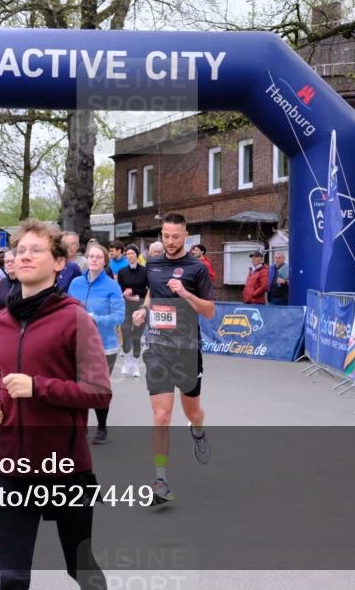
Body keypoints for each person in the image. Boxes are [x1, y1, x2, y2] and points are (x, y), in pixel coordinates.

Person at [0, 219, 111, 590]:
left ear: (58, 262)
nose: (24, 256)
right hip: (14, 468)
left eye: (35, 249)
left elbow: (99, 392)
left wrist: (38, 387)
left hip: (65, 468)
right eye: (20, 250)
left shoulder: (75, 318)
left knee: (80, 568)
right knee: (12, 577)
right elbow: (3, 379)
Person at [132, 213, 215, 505]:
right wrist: (144, 310)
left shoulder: (198, 268)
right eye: (165, 236)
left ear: (186, 235)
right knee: (161, 415)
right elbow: (152, 294)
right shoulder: (152, 263)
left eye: (175, 237)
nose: (169, 242)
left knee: (192, 411)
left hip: (187, 349)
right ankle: (160, 479)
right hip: (156, 345)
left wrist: (187, 294)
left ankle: (198, 429)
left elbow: (209, 312)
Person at [67, 242, 125, 444]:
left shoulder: (112, 286)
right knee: (76, 386)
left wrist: (94, 319)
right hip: (76, 344)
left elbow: (119, 316)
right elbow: (67, 309)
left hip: (104, 345)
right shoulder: (75, 284)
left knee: (98, 387)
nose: (93, 260)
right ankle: (80, 427)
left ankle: (101, 427)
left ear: (104, 262)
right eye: (91, 256)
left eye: (98, 257)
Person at [117, 245, 148, 378]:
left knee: (136, 336)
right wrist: (125, 294)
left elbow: (148, 290)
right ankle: (127, 362)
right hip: (126, 306)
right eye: (127, 254)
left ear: (137, 255)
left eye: (132, 253)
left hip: (140, 307)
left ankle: (135, 364)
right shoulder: (122, 271)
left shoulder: (145, 271)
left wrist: (134, 293)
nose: (130, 256)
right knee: (125, 332)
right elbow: (120, 289)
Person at [0, 250, 20, 314]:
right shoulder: (0, 283)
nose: (9, 264)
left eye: (13, 261)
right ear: (4, 264)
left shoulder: (26, 283)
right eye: (7, 261)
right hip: (2, 321)